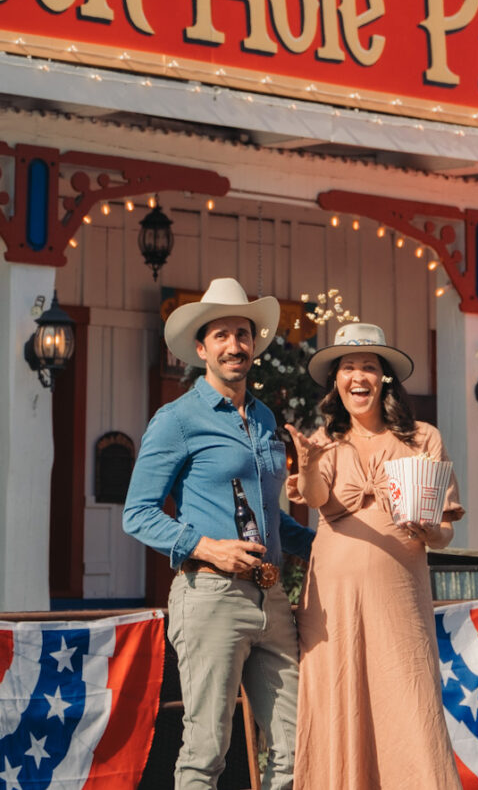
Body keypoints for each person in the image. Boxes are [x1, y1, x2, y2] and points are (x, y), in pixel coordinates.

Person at [123, 277, 314, 790]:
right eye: (222, 335)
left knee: (295, 751)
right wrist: (207, 547)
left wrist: (333, 546)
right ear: (202, 348)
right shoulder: (177, 419)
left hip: (273, 601)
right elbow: (137, 513)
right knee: (206, 752)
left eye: (243, 334)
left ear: (254, 345)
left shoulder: (266, 418)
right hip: (209, 595)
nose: (235, 345)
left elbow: (276, 521)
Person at [285, 322, 462, 790]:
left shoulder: (422, 437)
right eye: (348, 367)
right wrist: (305, 465)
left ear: (384, 378)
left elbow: (444, 532)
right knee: (338, 705)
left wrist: (428, 529)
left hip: (399, 602)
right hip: (332, 605)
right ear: (336, 381)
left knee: (409, 703)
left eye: (368, 366)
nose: (358, 375)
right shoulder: (323, 440)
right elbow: (315, 497)